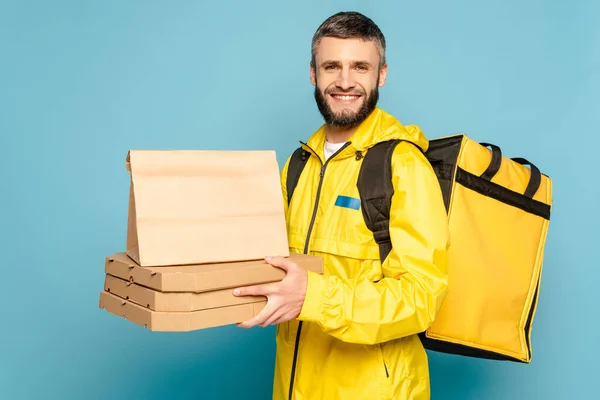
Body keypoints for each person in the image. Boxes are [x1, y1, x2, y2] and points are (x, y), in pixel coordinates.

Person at [233, 11, 450, 400]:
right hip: (294, 385)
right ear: (313, 74)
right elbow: (273, 267)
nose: (345, 81)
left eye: (360, 67)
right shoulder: (298, 165)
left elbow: (421, 300)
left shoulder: (402, 166)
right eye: (332, 66)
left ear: (381, 74)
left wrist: (313, 297)